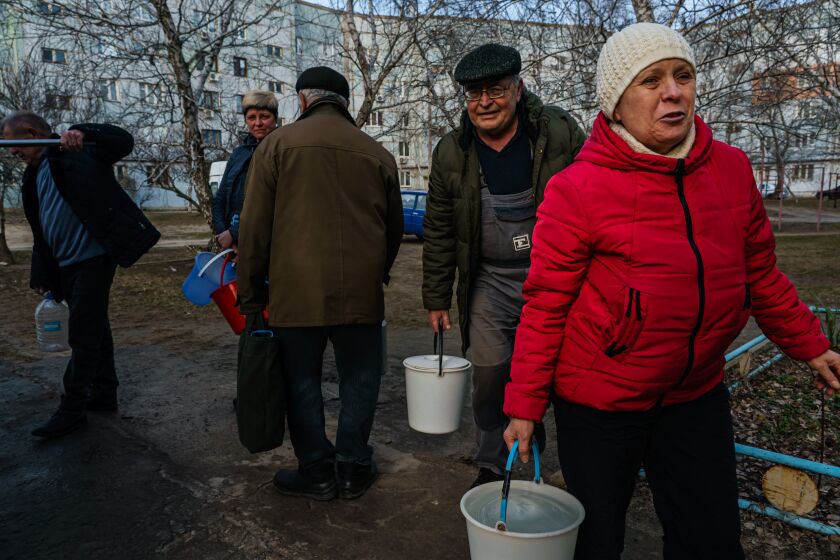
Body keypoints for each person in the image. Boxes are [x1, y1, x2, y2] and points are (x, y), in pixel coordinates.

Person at [502, 23, 840, 559]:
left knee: (710, 540)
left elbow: (762, 276)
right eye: (650, 80)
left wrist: (810, 344)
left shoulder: (731, 170)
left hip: (694, 392)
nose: (673, 91)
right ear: (616, 101)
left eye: (683, 76)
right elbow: (546, 305)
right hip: (600, 401)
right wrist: (524, 405)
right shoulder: (576, 189)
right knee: (597, 539)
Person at [421, 43, 585, 488]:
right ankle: (494, 462)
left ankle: (576, 462)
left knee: (569, 373)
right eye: (474, 93)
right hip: (489, 281)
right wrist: (436, 297)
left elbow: (595, 195)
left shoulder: (558, 132)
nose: (485, 102)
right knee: (491, 374)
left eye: (496, 89)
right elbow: (438, 229)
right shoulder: (452, 152)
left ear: (519, 88)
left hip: (557, 278)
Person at [237, 67, 403, 501]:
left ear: (304, 100)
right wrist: (375, 273)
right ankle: (352, 468)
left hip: (295, 293)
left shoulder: (275, 145)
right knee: (361, 379)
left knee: (301, 381)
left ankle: (316, 471)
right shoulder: (379, 153)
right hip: (362, 293)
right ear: (344, 102)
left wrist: (251, 293)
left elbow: (254, 230)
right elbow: (393, 231)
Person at [1, 112, 160, 438]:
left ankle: (71, 408)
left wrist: (81, 131)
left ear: (31, 134)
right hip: (65, 263)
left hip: (93, 257)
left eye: (13, 144)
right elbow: (41, 231)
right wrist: (42, 273)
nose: (11, 152)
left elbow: (123, 141)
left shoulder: (79, 151)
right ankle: (103, 393)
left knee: (83, 333)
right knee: (95, 325)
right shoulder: (33, 176)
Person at [212, 90, 279, 253]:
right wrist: (224, 234)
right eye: (251, 117)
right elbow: (220, 198)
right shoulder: (238, 153)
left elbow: (273, 205)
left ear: (275, 118)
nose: (258, 123)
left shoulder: (281, 152)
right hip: (231, 245)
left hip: (265, 245)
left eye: (264, 116)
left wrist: (235, 234)